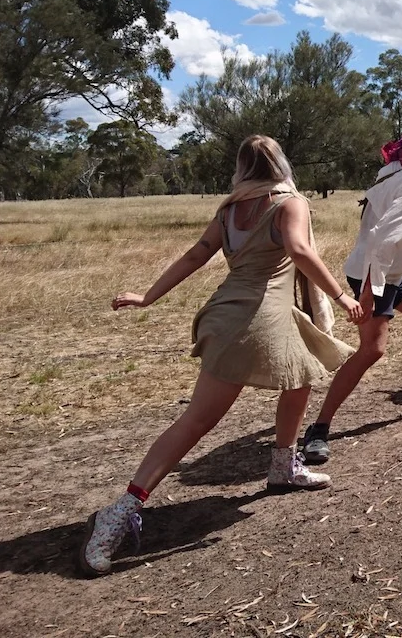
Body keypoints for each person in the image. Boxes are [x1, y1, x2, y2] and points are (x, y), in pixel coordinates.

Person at [79, 136, 363, 577]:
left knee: (300, 376)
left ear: (242, 167)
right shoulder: (290, 202)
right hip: (255, 323)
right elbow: (300, 250)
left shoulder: (231, 208)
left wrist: (148, 297)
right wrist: (342, 297)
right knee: (198, 420)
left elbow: (198, 254)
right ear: (281, 163)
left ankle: (284, 465)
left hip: (230, 312)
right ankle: (119, 511)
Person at [299, 117, 402, 466]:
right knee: (372, 349)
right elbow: (382, 241)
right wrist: (370, 294)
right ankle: (318, 429)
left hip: (387, 271)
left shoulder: (397, 168)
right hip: (376, 273)